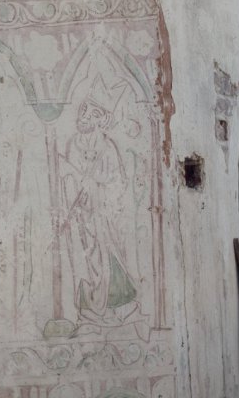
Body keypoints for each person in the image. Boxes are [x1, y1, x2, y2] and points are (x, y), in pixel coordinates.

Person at [60, 75, 145, 336]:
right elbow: (69, 178)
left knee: (108, 259)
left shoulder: (108, 148)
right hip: (84, 217)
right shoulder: (73, 144)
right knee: (87, 263)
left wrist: (97, 185)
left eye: (90, 113)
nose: (84, 117)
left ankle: (118, 308)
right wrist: (77, 186)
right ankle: (90, 312)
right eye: (83, 111)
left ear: (101, 119)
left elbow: (118, 183)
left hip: (105, 217)